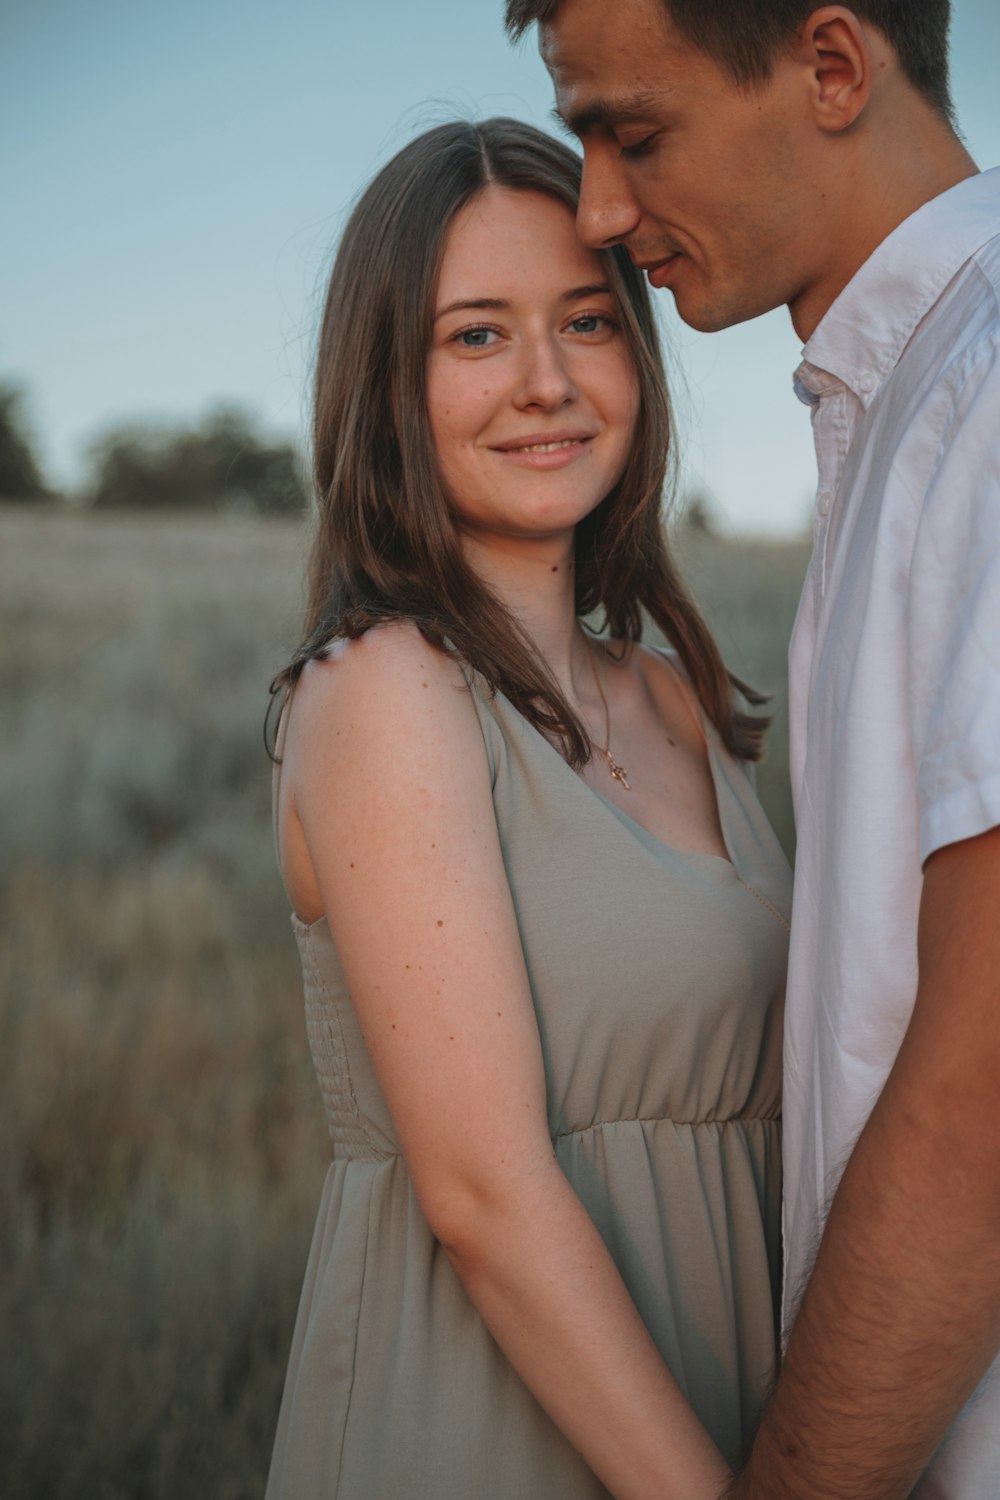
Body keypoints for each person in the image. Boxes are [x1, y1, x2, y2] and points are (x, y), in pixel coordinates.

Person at [504, 0, 1000, 1495]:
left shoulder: (984, 396)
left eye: (633, 134)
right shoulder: (907, 400)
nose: (598, 208)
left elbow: (984, 1077)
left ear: (833, 68)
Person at [265, 116, 791, 1500]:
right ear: (387, 378)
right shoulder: (386, 693)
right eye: (476, 336)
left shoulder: (681, 701)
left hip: (743, 1391)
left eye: (586, 322)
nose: (548, 383)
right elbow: (485, 1200)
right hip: (498, 1428)